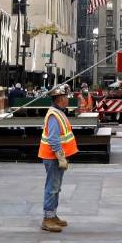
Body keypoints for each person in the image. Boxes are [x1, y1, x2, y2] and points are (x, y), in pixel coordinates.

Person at [39, 85, 77, 233]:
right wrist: (61, 157)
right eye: (66, 97)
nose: (68, 99)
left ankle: (53, 215)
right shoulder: (54, 115)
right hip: (53, 157)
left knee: (56, 187)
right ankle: (47, 219)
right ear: (61, 98)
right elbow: (54, 139)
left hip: (55, 156)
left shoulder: (58, 112)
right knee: (52, 187)